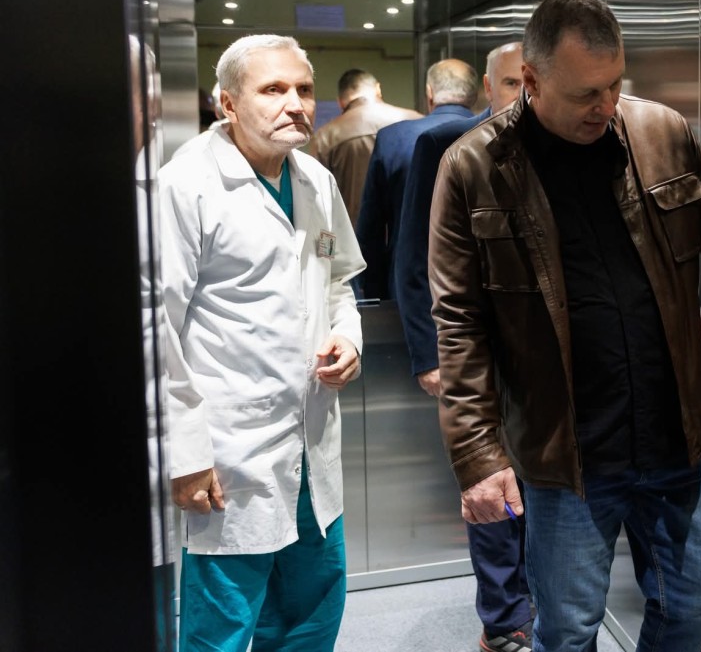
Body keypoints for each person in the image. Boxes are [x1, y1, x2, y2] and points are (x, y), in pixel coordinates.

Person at [427, 0, 701, 651]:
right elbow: (460, 320)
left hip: (673, 437)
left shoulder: (661, 132)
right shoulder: (474, 167)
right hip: (567, 454)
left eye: (616, 84)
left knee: (694, 598)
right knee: (568, 627)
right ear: (532, 80)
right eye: (586, 92)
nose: (606, 105)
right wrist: (477, 454)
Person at [158, 34, 366, 652]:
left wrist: (348, 338)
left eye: (303, 89)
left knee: (312, 612)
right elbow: (158, 327)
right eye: (273, 90)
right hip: (230, 452)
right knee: (221, 626)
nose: (294, 104)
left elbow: (337, 282)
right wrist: (183, 453)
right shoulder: (187, 184)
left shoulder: (315, 179)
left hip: (311, 441)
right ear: (228, 103)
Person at [392, 41, 530, 652]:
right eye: (511, 83)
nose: (524, 95)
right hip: (474, 352)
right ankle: (504, 620)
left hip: (547, 359)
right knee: (489, 480)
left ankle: (543, 601)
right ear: (487, 89)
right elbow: (414, 255)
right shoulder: (446, 145)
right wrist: (430, 354)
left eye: (532, 81)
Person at [355, 57, 478, 299]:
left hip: (410, 285)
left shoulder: (393, 138)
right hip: (478, 282)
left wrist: (374, 290)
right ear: (475, 95)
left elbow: (371, 227)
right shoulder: (493, 133)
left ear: (429, 93)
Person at [312, 68, 423, 226]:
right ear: (378, 88)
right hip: (410, 231)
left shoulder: (326, 136)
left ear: (340, 102)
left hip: (352, 234)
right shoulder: (417, 121)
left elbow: (318, 199)